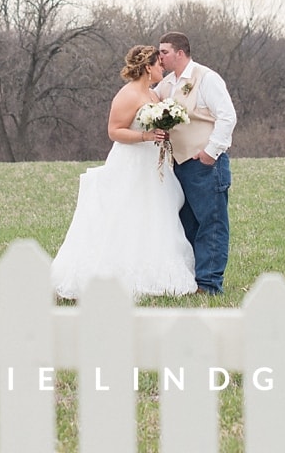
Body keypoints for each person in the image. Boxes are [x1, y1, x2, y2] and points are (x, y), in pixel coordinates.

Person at [50, 45, 198, 299]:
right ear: (147, 67)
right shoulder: (127, 95)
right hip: (131, 163)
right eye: (158, 64)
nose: (162, 67)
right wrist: (145, 135)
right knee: (127, 215)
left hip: (153, 165)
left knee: (155, 214)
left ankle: (158, 272)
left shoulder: (153, 95)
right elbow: (114, 131)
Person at [155, 32, 236, 295]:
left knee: (211, 224)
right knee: (187, 223)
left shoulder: (206, 78)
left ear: (180, 53)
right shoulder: (166, 84)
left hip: (205, 164)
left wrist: (211, 152)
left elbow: (227, 117)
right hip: (178, 165)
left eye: (164, 52)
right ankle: (191, 279)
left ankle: (210, 284)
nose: (160, 57)